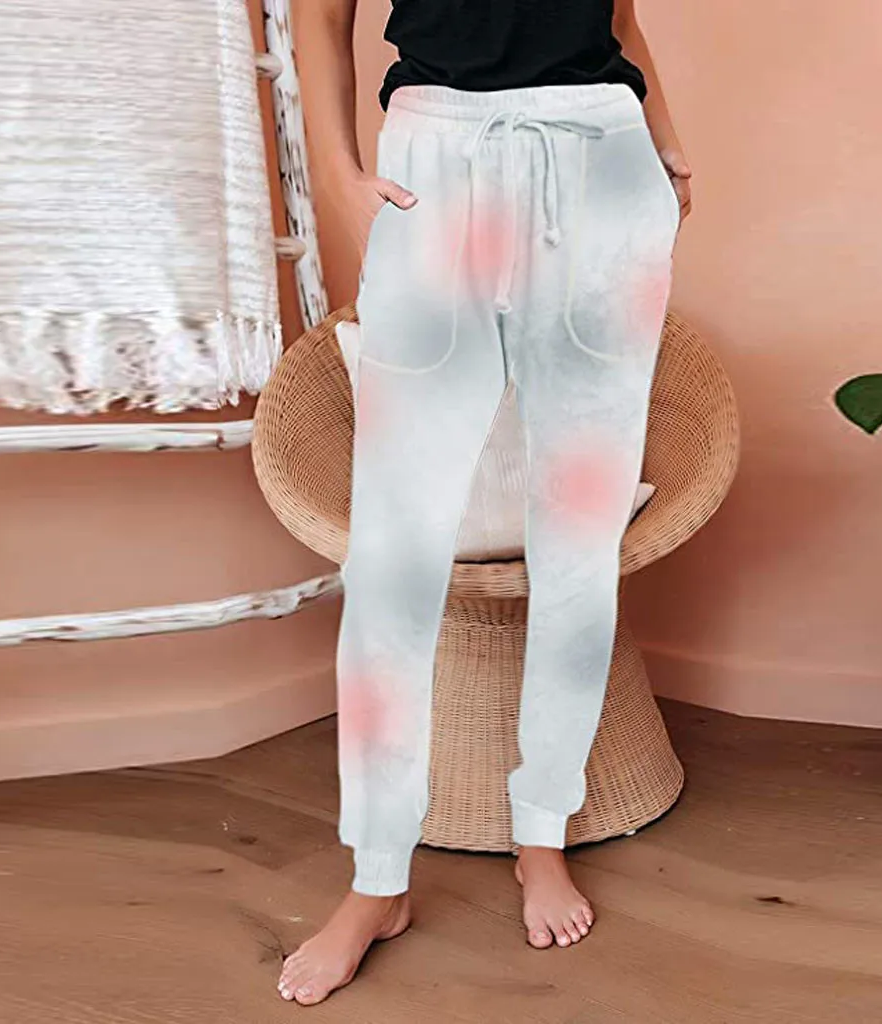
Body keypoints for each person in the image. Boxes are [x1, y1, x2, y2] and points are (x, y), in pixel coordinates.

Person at [278, 0, 691, 1005]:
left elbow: (618, 15)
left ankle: (541, 831)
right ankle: (378, 877)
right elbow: (318, 17)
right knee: (392, 552)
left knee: (580, 540)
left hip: (604, 166)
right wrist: (336, 170)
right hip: (437, 164)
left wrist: (666, 144)